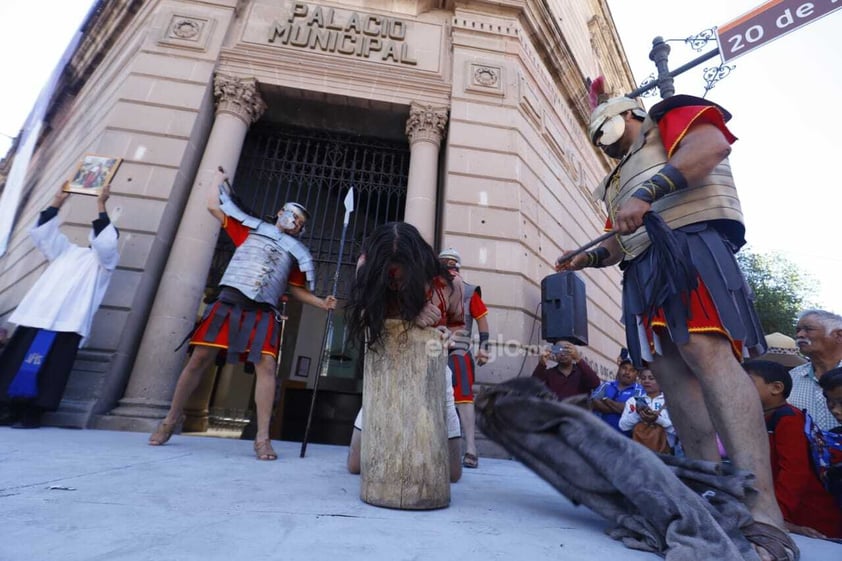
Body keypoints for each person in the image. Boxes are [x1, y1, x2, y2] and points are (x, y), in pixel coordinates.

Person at [556, 82, 795, 561]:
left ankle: (762, 512)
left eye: (607, 128)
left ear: (628, 115)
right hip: (642, 271)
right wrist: (586, 258)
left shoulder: (671, 115)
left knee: (708, 357)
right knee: (671, 376)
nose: (604, 141)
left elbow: (711, 146)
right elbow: (620, 239)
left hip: (690, 248)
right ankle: (707, 495)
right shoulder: (616, 178)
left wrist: (646, 192)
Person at [148, 170, 336, 460]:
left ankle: (262, 439)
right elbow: (214, 206)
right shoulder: (250, 228)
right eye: (292, 214)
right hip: (228, 302)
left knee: (267, 368)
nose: (294, 221)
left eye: (299, 222)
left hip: (263, 312)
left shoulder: (298, 253)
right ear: (279, 212)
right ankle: (170, 420)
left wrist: (321, 303)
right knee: (199, 358)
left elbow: (296, 289)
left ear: (301, 230)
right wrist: (215, 180)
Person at [345, 222, 464, 483]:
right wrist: (410, 316)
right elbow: (366, 314)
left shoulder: (449, 283)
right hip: (385, 371)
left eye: (401, 277)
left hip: (432, 374)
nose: (395, 284)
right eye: (389, 277)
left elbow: (457, 326)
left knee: (452, 473)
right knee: (356, 465)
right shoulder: (366, 267)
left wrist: (445, 334)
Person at [0, 182, 119, 429]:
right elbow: (43, 233)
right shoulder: (65, 251)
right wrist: (58, 200)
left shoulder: (104, 263)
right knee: (15, 364)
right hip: (37, 317)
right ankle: (10, 410)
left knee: (50, 371)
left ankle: (33, 414)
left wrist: (100, 205)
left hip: (67, 323)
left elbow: (106, 243)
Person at [744, 359, 842, 539]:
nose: (737, 386)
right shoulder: (763, 418)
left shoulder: (788, 419)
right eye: (831, 402)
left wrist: (779, 516)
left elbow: (794, 472)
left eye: (746, 382)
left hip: (808, 514)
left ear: (776, 388)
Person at [438, 247, 490, 469]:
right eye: (446, 265)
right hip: (433, 350)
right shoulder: (430, 289)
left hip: (458, 351)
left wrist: (484, 347)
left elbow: (482, 321)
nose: (450, 270)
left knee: (464, 398)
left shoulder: (469, 292)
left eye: (452, 266)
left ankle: (471, 448)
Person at [790, 309, 842, 431]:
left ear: (839, 336)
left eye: (808, 329)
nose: (800, 335)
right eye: (798, 330)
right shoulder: (792, 378)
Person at [618, 367, 676, 454]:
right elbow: (623, 426)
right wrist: (637, 414)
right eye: (643, 378)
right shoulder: (633, 401)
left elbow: (677, 430)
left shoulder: (671, 401)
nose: (646, 381)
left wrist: (657, 419)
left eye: (651, 378)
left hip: (666, 453)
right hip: (640, 453)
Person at [591, 351, 643, 434]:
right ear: (619, 369)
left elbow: (633, 410)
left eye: (632, 370)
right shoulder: (606, 385)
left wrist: (607, 401)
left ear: (637, 374)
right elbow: (594, 402)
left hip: (627, 440)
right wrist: (621, 408)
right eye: (624, 368)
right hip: (601, 436)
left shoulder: (640, 391)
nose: (627, 372)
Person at [531, 341, 601, 402]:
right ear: (555, 354)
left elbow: (596, 383)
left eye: (566, 350)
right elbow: (532, 387)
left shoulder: (582, 373)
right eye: (558, 350)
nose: (562, 354)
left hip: (579, 415)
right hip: (557, 414)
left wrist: (578, 359)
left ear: (573, 353)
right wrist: (541, 365)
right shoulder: (549, 374)